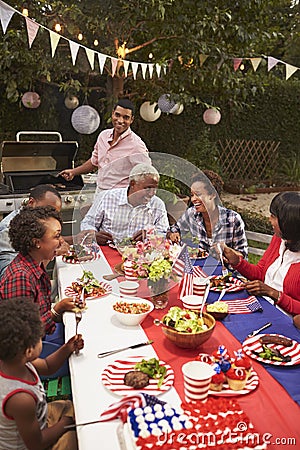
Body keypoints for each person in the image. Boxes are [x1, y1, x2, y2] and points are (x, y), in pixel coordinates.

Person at [0, 297, 83, 450]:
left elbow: (47, 365)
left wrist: (67, 347)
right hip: (31, 443)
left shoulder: (16, 360)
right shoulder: (20, 399)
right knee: (74, 439)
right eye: (39, 337)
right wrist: (65, 424)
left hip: (36, 420)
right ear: (29, 350)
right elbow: (36, 444)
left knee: (73, 406)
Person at [0, 206, 85, 337]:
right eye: (56, 236)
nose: (61, 241)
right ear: (37, 242)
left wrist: (60, 308)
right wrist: (56, 310)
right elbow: (25, 333)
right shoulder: (20, 277)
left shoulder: (35, 265)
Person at [223, 191, 300, 315]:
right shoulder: (279, 239)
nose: (269, 219)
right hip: (262, 307)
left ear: (289, 223)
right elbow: (259, 273)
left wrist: (274, 294)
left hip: (287, 322)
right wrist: (237, 262)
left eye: (274, 216)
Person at [59, 99, 151, 193]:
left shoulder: (137, 145)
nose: (120, 120)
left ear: (131, 120)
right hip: (99, 192)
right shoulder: (103, 136)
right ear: (112, 114)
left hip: (120, 196)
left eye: (126, 117)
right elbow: (94, 162)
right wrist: (73, 172)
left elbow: (147, 174)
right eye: (117, 115)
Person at [80, 163, 169, 245]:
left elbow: (164, 232)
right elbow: (88, 223)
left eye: (155, 188)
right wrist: (93, 234)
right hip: (108, 250)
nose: (152, 193)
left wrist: (151, 235)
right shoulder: (106, 197)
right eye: (148, 188)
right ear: (132, 184)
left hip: (141, 255)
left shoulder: (158, 204)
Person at [168, 170, 248, 257]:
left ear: (212, 195)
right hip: (199, 268)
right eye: (192, 195)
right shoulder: (192, 213)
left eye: (198, 194)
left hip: (226, 270)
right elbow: (174, 229)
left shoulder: (233, 219)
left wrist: (226, 250)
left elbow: (242, 256)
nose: (193, 199)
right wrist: (173, 234)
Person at [0, 184, 69, 278]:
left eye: (55, 214)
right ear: (31, 203)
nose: (51, 218)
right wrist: (52, 250)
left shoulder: (35, 225)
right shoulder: (8, 229)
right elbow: (9, 278)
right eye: (46, 211)